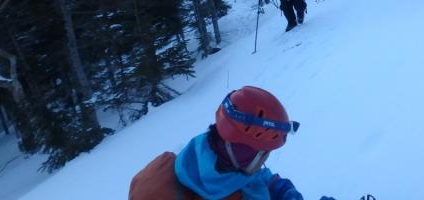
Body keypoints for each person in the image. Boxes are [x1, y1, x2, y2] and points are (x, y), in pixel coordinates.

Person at [129, 85, 335, 200]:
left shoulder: (209, 155)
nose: (264, 162)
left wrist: (279, 188)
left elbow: (254, 176)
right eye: (263, 153)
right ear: (243, 151)